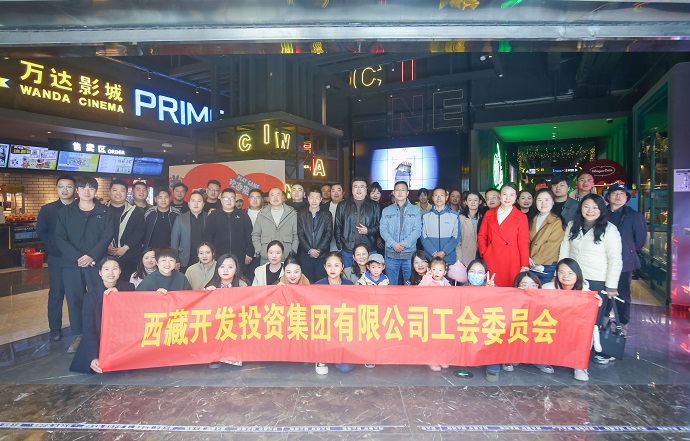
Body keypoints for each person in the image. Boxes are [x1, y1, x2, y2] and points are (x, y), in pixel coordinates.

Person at [559, 193, 623, 381]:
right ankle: (564, 356)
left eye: (595, 207)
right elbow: (564, 250)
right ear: (581, 208)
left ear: (601, 210)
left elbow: (615, 259)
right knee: (569, 322)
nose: (590, 211)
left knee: (589, 325)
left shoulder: (609, 229)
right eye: (586, 206)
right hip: (572, 280)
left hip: (596, 282)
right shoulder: (573, 225)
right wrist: (560, 274)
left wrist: (611, 286)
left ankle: (580, 365)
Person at [55, 176, 113, 354]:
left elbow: (107, 236)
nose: (87, 192)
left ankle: (101, 333)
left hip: (96, 263)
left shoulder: (105, 211)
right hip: (72, 264)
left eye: (91, 188)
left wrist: (92, 255)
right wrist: (78, 257)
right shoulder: (65, 212)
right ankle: (78, 335)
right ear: (77, 190)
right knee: (75, 300)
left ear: (95, 191)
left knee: (98, 297)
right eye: (83, 188)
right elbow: (60, 237)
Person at [69, 257, 135, 374]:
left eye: (114, 269)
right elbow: (89, 329)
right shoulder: (91, 297)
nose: (110, 273)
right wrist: (93, 356)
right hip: (102, 339)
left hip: (124, 338)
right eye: (106, 269)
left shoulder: (129, 288)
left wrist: (120, 297)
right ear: (100, 272)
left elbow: (135, 316)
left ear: (120, 271)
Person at [543, 258, 603, 378]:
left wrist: (596, 304)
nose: (566, 276)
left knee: (585, 332)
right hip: (553, 325)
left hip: (573, 328)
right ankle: (543, 359)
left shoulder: (586, 292)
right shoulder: (547, 288)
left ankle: (579, 367)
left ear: (577, 275)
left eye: (570, 273)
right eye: (561, 272)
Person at [37, 174, 76, 342]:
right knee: (56, 294)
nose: (65, 190)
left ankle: (79, 329)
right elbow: (41, 232)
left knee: (77, 294)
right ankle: (55, 329)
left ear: (75, 189)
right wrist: (55, 245)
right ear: (57, 189)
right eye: (61, 186)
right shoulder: (47, 210)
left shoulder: (81, 207)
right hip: (57, 258)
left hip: (77, 259)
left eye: (69, 186)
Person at [604, 184, 646, 334]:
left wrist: (627, 251)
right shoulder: (601, 213)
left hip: (624, 262)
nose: (618, 196)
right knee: (603, 292)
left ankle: (622, 323)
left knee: (622, 293)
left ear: (626, 198)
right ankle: (602, 320)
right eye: (614, 193)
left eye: (622, 194)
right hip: (602, 260)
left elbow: (640, 241)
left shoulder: (634, 216)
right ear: (608, 197)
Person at [477, 183, 530, 287]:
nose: (508, 198)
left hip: (511, 258)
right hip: (492, 256)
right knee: (491, 287)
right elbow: (482, 235)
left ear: (516, 198)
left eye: (511, 195)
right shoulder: (489, 214)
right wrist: (485, 252)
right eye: (505, 194)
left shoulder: (521, 216)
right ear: (500, 196)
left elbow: (523, 242)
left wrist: (524, 264)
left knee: (510, 288)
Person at [314, 251, 356, 374]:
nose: (333, 269)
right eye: (329, 265)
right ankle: (321, 357)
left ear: (342, 267)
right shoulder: (318, 286)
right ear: (324, 267)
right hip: (324, 330)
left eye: (336, 265)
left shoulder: (350, 285)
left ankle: (338, 354)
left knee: (346, 368)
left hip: (343, 331)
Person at [511, 271, 554, 376]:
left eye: (533, 285)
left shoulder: (544, 300)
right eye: (524, 285)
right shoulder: (511, 298)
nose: (529, 288)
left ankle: (538, 359)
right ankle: (511, 357)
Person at [464, 258, 500, 381]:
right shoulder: (460, 289)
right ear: (467, 273)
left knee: (493, 333)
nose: (475, 275)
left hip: (486, 324)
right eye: (472, 271)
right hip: (468, 324)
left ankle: (493, 368)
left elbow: (499, 308)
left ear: (485, 276)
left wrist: (490, 291)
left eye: (480, 272)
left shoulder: (492, 287)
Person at [380, 181, 422, 285]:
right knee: (392, 286)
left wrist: (403, 244)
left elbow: (417, 230)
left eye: (403, 190)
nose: (400, 192)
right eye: (397, 190)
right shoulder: (386, 210)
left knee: (410, 285)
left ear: (407, 193)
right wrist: (393, 244)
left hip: (409, 255)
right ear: (393, 192)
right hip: (391, 254)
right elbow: (383, 230)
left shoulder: (415, 210)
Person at [334, 178, 382, 267]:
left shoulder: (375, 206)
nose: (359, 190)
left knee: (369, 274)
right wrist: (340, 245)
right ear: (352, 189)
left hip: (369, 249)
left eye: (362, 187)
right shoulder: (342, 205)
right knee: (348, 273)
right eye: (356, 187)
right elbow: (338, 226)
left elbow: (380, 226)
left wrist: (368, 230)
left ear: (366, 189)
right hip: (348, 248)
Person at [205, 188, 254, 272]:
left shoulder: (243, 215)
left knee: (239, 278)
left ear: (234, 200)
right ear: (221, 200)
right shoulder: (213, 216)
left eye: (232, 198)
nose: (229, 201)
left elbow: (249, 235)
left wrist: (249, 253)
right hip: (218, 257)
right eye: (226, 198)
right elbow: (208, 237)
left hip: (240, 257)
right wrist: (211, 254)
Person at [106, 179, 145, 282]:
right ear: (109, 191)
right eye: (115, 190)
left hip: (130, 258)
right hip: (106, 258)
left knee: (127, 287)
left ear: (127, 193)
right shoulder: (101, 210)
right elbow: (96, 232)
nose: (118, 193)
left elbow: (139, 232)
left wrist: (125, 248)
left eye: (122, 190)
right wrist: (106, 246)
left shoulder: (135, 211)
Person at [252, 187, 299, 265]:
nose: (275, 198)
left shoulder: (291, 213)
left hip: (286, 256)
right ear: (268, 198)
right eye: (272, 195)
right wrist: (260, 251)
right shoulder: (262, 213)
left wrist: (293, 251)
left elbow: (296, 234)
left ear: (282, 197)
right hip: (266, 256)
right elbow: (255, 235)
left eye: (278, 195)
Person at [529, 189, 565, 285]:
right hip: (530, 264)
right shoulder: (532, 219)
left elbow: (551, 245)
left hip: (546, 266)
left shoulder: (557, 221)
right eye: (540, 200)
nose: (543, 203)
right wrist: (526, 258)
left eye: (547, 200)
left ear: (553, 202)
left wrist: (535, 260)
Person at [297, 186, 332, 283]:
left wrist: (319, 250)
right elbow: (300, 234)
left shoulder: (327, 214)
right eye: (312, 197)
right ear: (308, 198)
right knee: (307, 283)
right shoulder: (301, 214)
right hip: (306, 255)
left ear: (321, 199)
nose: (314, 201)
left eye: (317, 198)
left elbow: (328, 234)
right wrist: (309, 250)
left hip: (321, 255)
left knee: (321, 283)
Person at [421, 187, 459, 268]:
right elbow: (423, 237)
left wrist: (444, 251)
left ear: (446, 197)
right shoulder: (425, 216)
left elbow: (456, 237)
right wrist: (433, 252)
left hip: (448, 259)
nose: (439, 198)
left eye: (441, 195)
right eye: (436, 195)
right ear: (432, 198)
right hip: (430, 258)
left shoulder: (454, 216)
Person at [171, 190, 207, 271]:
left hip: (204, 258)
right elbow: (174, 241)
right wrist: (175, 259)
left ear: (203, 204)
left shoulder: (208, 218)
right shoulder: (180, 219)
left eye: (199, 201)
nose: (196, 204)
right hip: (184, 259)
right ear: (188, 203)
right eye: (193, 201)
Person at [457, 191, 483, 268]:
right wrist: (459, 259)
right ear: (466, 202)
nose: (473, 202)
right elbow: (458, 241)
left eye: (475, 200)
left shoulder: (484, 217)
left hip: (481, 254)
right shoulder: (461, 218)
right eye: (470, 200)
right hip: (466, 254)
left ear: (480, 202)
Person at [245, 188, 264, 283]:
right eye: (252, 197)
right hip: (247, 255)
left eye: (258, 197)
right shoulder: (242, 214)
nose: (255, 200)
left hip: (263, 254)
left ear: (262, 199)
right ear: (248, 199)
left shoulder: (267, 214)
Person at [327, 183, 345, 251]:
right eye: (333, 191)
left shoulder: (349, 206)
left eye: (338, 190)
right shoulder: (324, 207)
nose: (336, 193)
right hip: (328, 244)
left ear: (343, 193)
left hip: (345, 244)